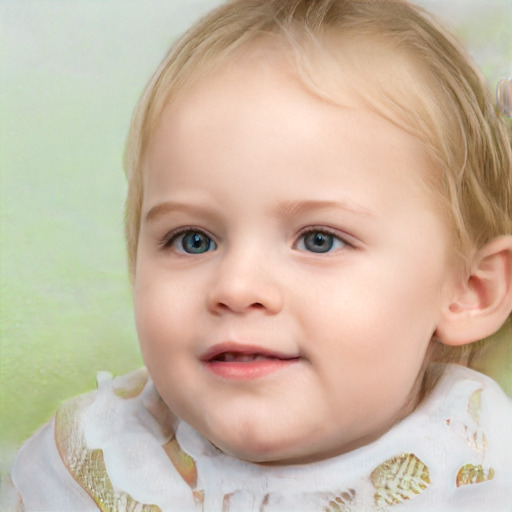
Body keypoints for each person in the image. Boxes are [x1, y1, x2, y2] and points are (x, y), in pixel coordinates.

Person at [3, 0, 511, 510]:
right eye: (192, 240)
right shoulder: (92, 464)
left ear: (471, 291)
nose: (236, 287)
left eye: (319, 240)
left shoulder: (480, 471)